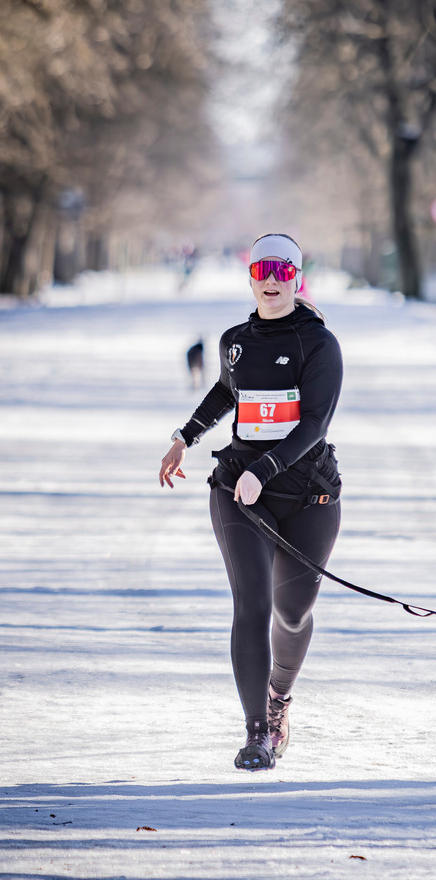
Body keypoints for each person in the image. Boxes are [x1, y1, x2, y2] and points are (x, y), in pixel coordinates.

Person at [159, 233, 343, 771]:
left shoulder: (319, 343)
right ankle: (258, 732)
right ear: (250, 276)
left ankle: (279, 697)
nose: (271, 279)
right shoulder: (235, 339)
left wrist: (268, 469)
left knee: (293, 614)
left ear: (296, 278)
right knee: (253, 606)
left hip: (309, 493)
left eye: (282, 270)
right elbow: (225, 390)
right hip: (239, 490)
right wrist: (184, 436)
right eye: (262, 268)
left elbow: (315, 423)